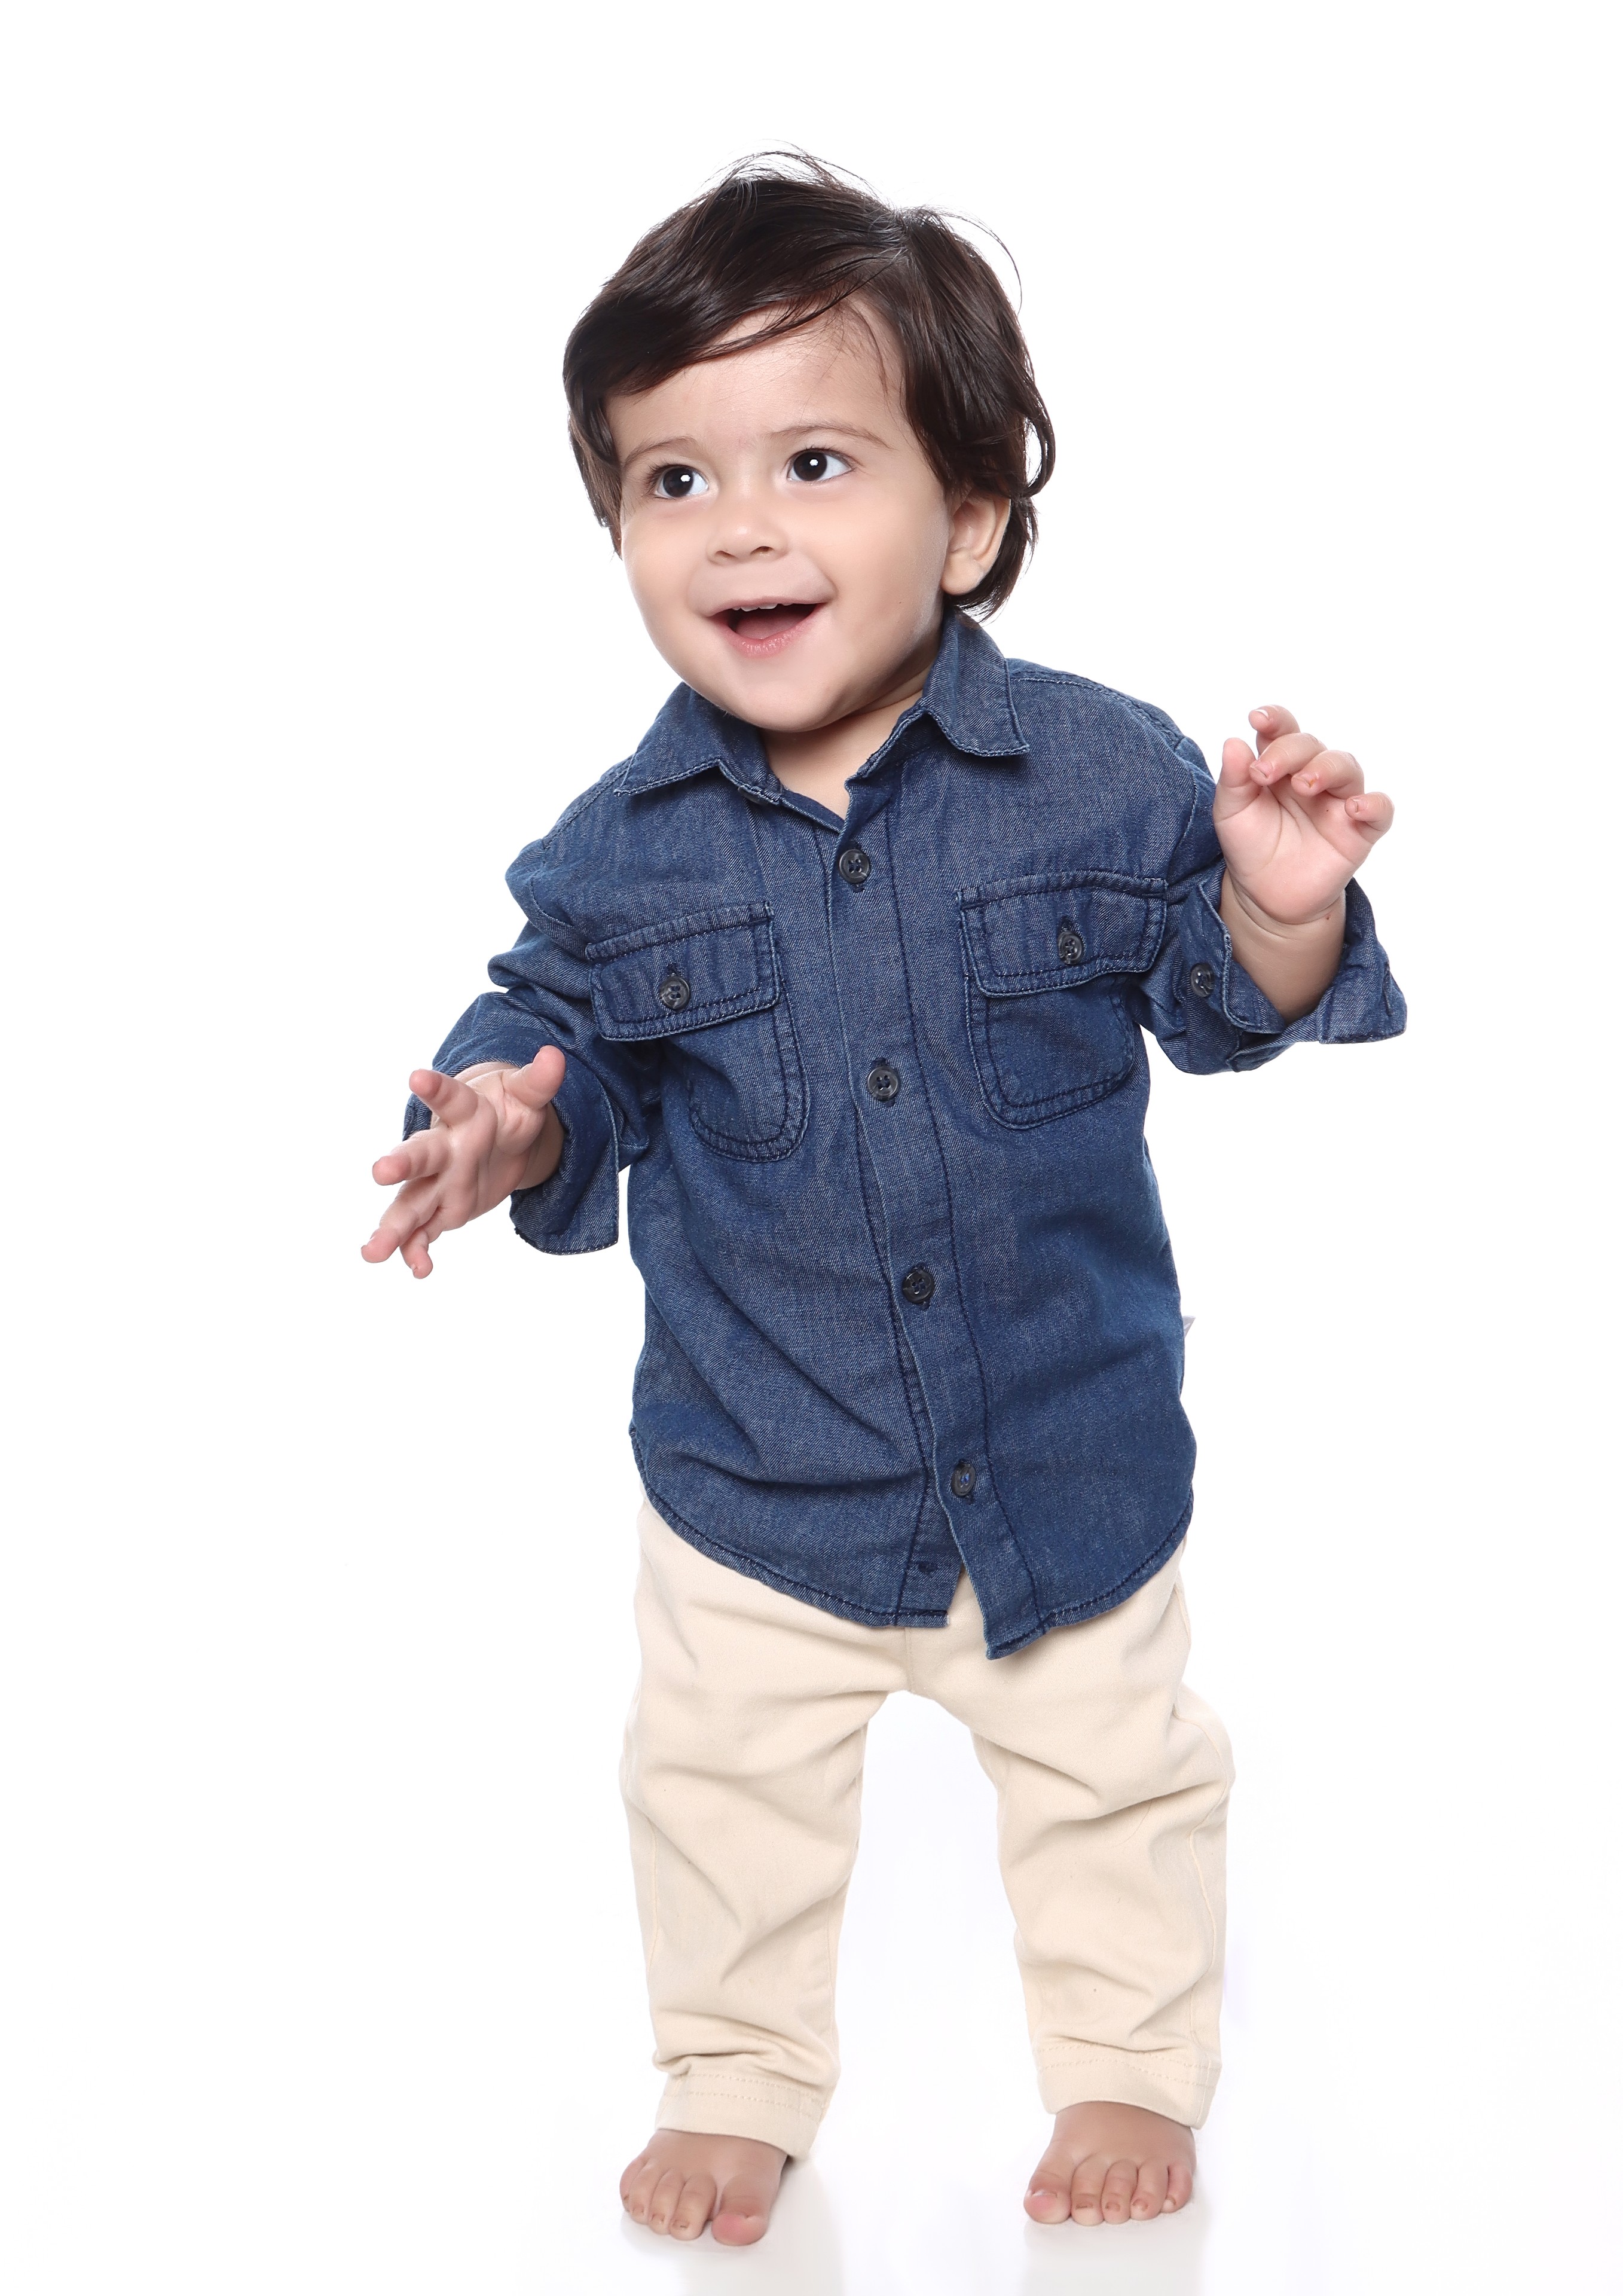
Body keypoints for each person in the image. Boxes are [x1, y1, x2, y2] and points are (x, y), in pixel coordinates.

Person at [362, 156, 1403, 2246]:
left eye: (814, 463)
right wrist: (498, 1128)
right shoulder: (618, 848)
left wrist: (1280, 916)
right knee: (717, 1796)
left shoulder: (1099, 774)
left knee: (1119, 1781)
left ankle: (1125, 2060)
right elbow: (559, 1046)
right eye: (673, 480)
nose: (739, 526)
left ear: (972, 517)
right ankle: (735, 2074)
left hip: (1062, 1447)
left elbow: (1215, 1008)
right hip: (760, 1472)